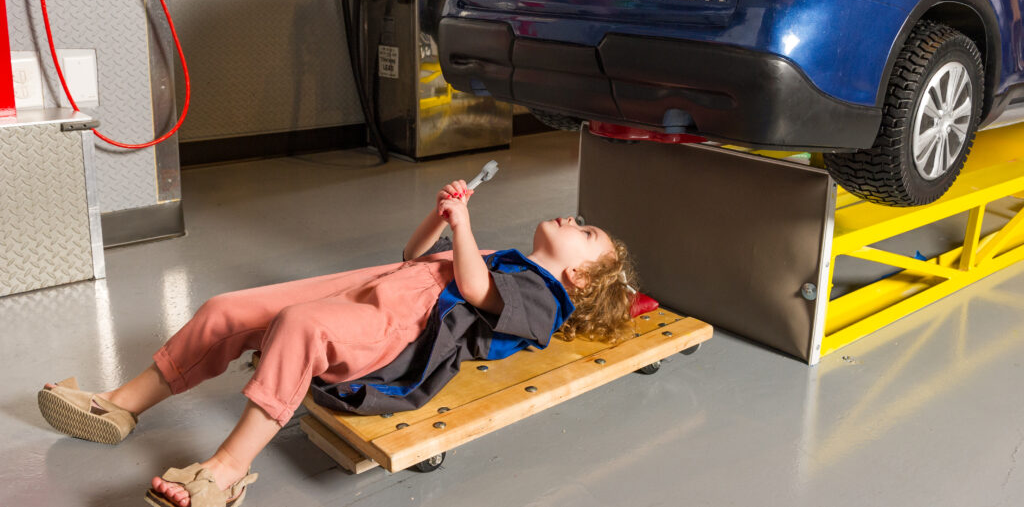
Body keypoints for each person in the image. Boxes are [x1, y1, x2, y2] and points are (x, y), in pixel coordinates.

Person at [38, 180, 638, 507]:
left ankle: (226, 473)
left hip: (402, 333)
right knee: (230, 309)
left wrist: (462, 226)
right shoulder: (503, 257)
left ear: (579, 277)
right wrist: (441, 217)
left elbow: (474, 291)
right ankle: (124, 403)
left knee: (301, 325)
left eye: (585, 232)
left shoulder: (542, 301)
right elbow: (414, 257)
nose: (570, 220)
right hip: (384, 286)